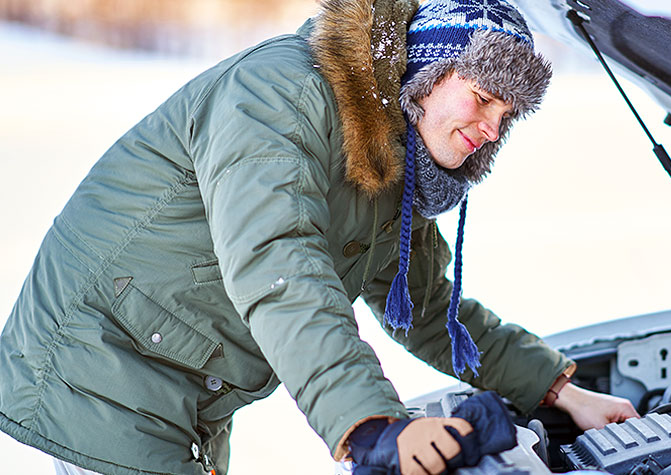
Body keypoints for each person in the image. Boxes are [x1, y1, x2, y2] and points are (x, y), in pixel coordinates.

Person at [0, 0, 638, 473]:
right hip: (100, 359)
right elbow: (278, 264)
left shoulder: (393, 160)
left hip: (182, 374)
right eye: (481, 97)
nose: (492, 129)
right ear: (427, 70)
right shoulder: (281, 93)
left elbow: (426, 307)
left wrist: (561, 391)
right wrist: (370, 427)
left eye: (507, 115)